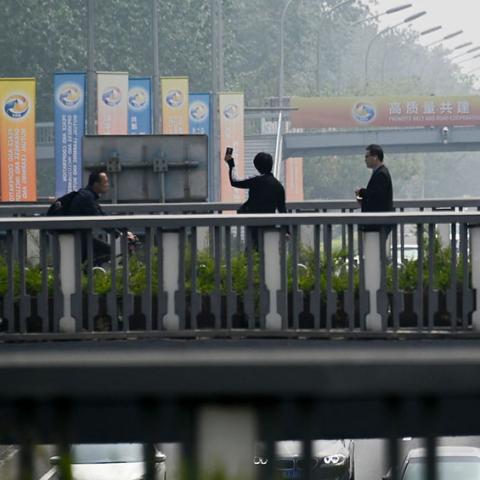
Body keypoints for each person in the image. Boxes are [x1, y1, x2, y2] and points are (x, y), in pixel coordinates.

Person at [69, 168, 137, 266]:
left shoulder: (88, 195)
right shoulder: (86, 198)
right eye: (105, 182)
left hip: (81, 235)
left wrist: (123, 231)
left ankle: (87, 272)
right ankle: (88, 274)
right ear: (96, 184)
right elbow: (100, 220)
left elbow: (103, 216)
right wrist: (119, 234)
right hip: (77, 237)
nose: (107, 185)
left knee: (90, 258)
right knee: (108, 251)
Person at [224, 150, 287, 249]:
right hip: (270, 225)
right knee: (268, 252)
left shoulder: (256, 181)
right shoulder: (278, 186)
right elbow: (282, 210)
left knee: (252, 253)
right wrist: (287, 230)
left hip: (254, 224)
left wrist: (231, 164)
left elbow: (234, 181)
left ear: (257, 166)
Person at [355, 144, 393, 236]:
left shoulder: (381, 174)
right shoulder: (380, 172)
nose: (365, 160)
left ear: (375, 157)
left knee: (375, 249)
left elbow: (377, 197)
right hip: (377, 223)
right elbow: (374, 197)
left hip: (378, 224)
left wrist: (361, 192)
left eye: (367, 156)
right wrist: (362, 198)